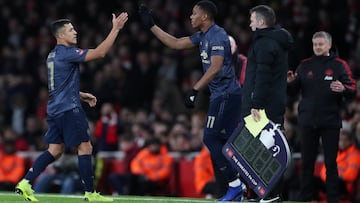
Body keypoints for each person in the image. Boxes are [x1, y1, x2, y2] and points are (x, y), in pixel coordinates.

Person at [138, 0, 246, 201]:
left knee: (210, 138)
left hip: (226, 94)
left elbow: (215, 67)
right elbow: (176, 43)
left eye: (194, 13)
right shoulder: (203, 35)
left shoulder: (217, 35)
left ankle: (236, 185)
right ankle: (240, 187)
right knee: (225, 141)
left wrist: (194, 89)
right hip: (221, 94)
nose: (190, 16)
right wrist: (152, 25)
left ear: (204, 16)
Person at [15, 12, 128, 202]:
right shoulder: (67, 53)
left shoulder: (52, 55)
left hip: (55, 108)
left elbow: (59, 85)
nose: (75, 32)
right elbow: (100, 53)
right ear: (61, 36)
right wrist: (115, 29)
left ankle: (26, 182)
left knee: (55, 150)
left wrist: (81, 94)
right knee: (85, 147)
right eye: (70, 30)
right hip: (69, 109)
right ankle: (90, 193)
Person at [287, 31, 356, 203]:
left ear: (329, 45)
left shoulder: (340, 65)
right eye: (315, 44)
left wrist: (344, 89)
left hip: (330, 120)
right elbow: (293, 91)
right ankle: (305, 199)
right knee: (306, 163)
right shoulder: (304, 65)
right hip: (307, 120)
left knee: (330, 164)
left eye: (320, 44)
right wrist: (290, 83)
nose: (317, 47)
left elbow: (352, 89)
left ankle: (333, 199)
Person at [241, 5, 294, 202]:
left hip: (263, 107)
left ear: (261, 22)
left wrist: (256, 104)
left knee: (264, 152)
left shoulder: (264, 43)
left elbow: (262, 77)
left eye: (252, 20)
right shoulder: (277, 41)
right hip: (272, 103)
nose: (250, 23)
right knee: (265, 151)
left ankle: (270, 194)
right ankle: (261, 193)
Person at [316, 129, 360, 201]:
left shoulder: (355, 154)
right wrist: (328, 179)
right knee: (313, 180)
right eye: (340, 140)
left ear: (350, 141)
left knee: (336, 182)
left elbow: (351, 175)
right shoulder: (335, 153)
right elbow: (323, 170)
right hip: (330, 181)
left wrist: (335, 177)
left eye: (344, 140)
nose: (342, 142)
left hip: (344, 185)